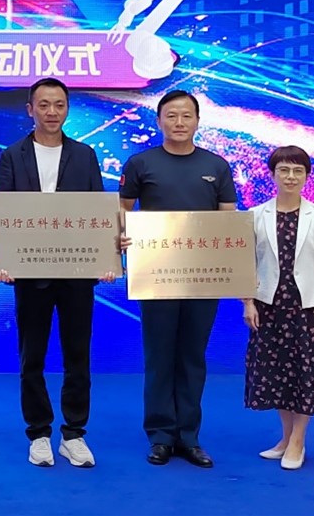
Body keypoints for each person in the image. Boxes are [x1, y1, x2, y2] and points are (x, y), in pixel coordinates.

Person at [0, 78, 121, 468]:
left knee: (78, 356)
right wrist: (4, 260)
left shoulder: (84, 155)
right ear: (30, 109)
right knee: (31, 357)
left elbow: (98, 211)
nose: (52, 112)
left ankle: (74, 434)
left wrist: (107, 258)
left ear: (67, 109)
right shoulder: (12, 156)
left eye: (59, 105)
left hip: (77, 271)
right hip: (30, 272)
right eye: (44, 105)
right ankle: (39, 433)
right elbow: (4, 214)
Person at [119, 89, 236, 468]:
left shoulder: (216, 165)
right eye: (171, 116)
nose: (179, 122)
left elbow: (227, 219)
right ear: (159, 121)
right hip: (156, 274)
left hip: (203, 276)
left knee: (192, 356)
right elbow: (122, 211)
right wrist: (123, 238)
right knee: (159, 355)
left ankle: (189, 436)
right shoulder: (141, 163)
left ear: (198, 121)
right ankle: (160, 435)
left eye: (186, 116)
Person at [243, 145, 314, 470]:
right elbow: (246, 264)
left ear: (307, 175)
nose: (290, 176)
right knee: (277, 375)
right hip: (269, 306)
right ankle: (285, 438)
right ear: (272, 174)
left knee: (305, 374)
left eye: (297, 171)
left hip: (307, 307)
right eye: (284, 170)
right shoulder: (255, 215)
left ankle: (298, 441)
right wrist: (248, 302)